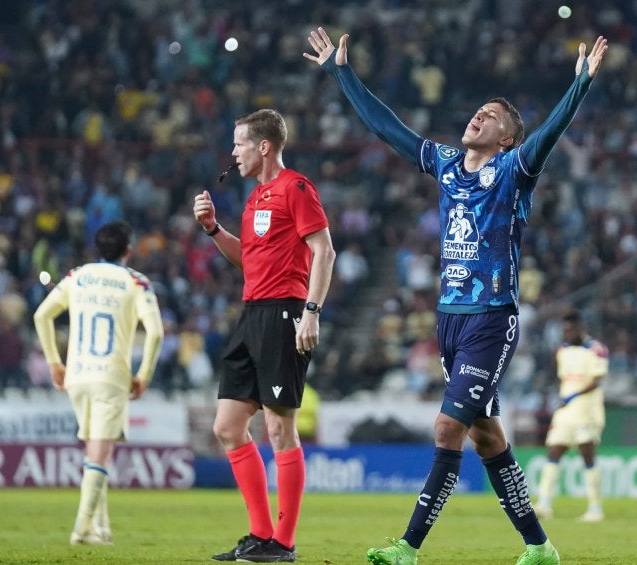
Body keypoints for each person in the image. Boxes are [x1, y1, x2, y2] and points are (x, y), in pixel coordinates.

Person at [305, 27, 608, 565]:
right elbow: (387, 128)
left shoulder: (514, 169)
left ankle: (408, 547)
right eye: (478, 110)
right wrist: (342, 72)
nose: (478, 116)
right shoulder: (445, 163)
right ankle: (540, 548)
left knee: (448, 427)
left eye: (492, 116)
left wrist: (579, 86)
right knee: (488, 439)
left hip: (491, 318)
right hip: (449, 319)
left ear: (507, 138)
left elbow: (549, 133)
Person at [193, 109, 336, 563]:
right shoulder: (256, 198)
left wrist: (311, 313)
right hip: (251, 312)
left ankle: (284, 542)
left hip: (284, 313)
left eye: (239, 144)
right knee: (228, 427)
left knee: (279, 427)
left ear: (263, 146)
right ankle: (259, 535)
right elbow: (250, 261)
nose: (233, 153)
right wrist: (214, 230)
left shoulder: (296, 188)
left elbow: (324, 250)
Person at [32, 220, 164, 545]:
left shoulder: (77, 276)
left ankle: (101, 528)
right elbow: (157, 332)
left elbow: (41, 315)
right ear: (128, 251)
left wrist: (53, 361)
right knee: (99, 456)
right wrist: (144, 374)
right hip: (110, 376)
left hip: (76, 375)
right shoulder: (137, 282)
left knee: (97, 452)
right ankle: (81, 529)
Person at [534, 310, 609, 523]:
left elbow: (597, 381)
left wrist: (574, 394)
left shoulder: (597, 349)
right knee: (554, 451)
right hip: (566, 412)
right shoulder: (562, 350)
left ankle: (595, 508)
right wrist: (563, 396)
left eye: (570, 330)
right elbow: (564, 379)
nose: (567, 334)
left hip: (587, 411)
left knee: (587, 455)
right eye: (564, 330)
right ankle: (544, 504)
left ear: (580, 328)